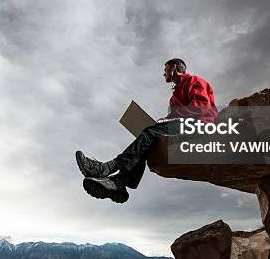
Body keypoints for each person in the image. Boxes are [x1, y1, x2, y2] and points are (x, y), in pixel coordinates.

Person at [75, 58, 218, 203]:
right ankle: (119, 182)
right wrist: (163, 121)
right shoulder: (173, 98)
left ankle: (107, 168)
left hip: (199, 125)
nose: (164, 74)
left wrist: (163, 122)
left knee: (149, 132)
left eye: (165, 70)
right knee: (146, 140)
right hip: (182, 125)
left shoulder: (194, 81)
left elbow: (200, 108)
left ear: (174, 67)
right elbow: (174, 117)